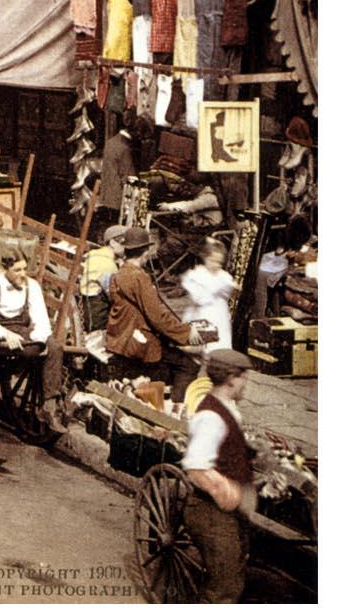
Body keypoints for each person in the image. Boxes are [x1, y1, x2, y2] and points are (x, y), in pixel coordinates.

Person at [180, 349, 257, 603]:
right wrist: (227, 490)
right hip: (210, 514)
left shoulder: (227, 407)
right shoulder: (211, 417)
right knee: (223, 590)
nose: (246, 383)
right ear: (231, 378)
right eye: (244, 377)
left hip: (225, 513)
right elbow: (195, 467)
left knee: (232, 577)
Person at [106, 225, 206, 399]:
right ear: (145, 251)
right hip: (137, 341)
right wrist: (187, 333)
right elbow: (157, 317)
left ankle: (154, 395)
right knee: (189, 365)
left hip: (121, 336)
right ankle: (175, 409)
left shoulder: (120, 273)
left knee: (170, 354)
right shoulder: (138, 277)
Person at [0, 249, 65, 428]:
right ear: (5, 269)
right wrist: (5, 334)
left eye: (24, 269)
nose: (22, 274)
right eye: (17, 270)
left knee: (55, 347)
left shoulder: (31, 285)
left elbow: (40, 318)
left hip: (20, 328)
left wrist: (40, 339)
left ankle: (48, 404)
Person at [180, 238, 238, 355]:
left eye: (219, 262)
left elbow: (230, 293)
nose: (216, 265)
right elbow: (198, 299)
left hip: (219, 315)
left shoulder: (224, 276)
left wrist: (234, 290)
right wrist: (216, 288)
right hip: (202, 315)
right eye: (213, 261)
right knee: (203, 346)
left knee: (221, 344)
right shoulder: (196, 275)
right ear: (205, 258)